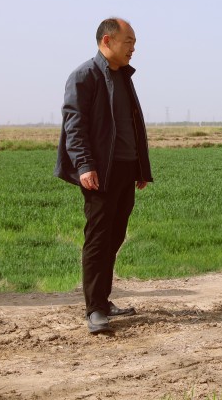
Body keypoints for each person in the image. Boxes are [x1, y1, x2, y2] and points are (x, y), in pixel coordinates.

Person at [55, 17, 153, 334]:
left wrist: (140, 167)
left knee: (114, 236)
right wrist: (84, 165)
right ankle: (95, 309)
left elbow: (131, 125)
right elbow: (75, 126)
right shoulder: (84, 76)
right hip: (100, 172)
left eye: (134, 43)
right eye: (129, 42)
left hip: (125, 168)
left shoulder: (123, 76)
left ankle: (103, 300)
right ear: (107, 41)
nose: (133, 48)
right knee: (98, 238)